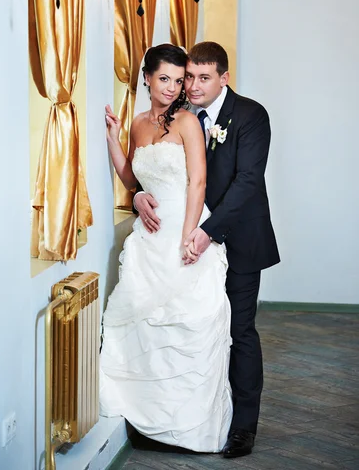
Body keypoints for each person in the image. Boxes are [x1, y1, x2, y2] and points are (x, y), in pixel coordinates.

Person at [134, 41, 280, 459]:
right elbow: (158, 175)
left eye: (201, 78)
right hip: (189, 241)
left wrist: (207, 231)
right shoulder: (175, 117)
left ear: (223, 78)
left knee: (239, 331)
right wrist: (137, 198)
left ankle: (243, 428)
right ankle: (190, 418)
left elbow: (248, 182)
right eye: (188, 77)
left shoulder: (251, 115)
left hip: (237, 240)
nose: (192, 86)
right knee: (194, 330)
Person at [100, 43, 233, 453]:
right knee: (144, 324)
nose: (174, 88)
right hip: (149, 236)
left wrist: (189, 237)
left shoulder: (189, 123)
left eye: (180, 81)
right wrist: (111, 139)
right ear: (146, 78)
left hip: (182, 229)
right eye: (165, 79)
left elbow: (197, 182)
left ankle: (190, 429)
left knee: (188, 321)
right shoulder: (138, 124)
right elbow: (130, 177)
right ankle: (149, 421)